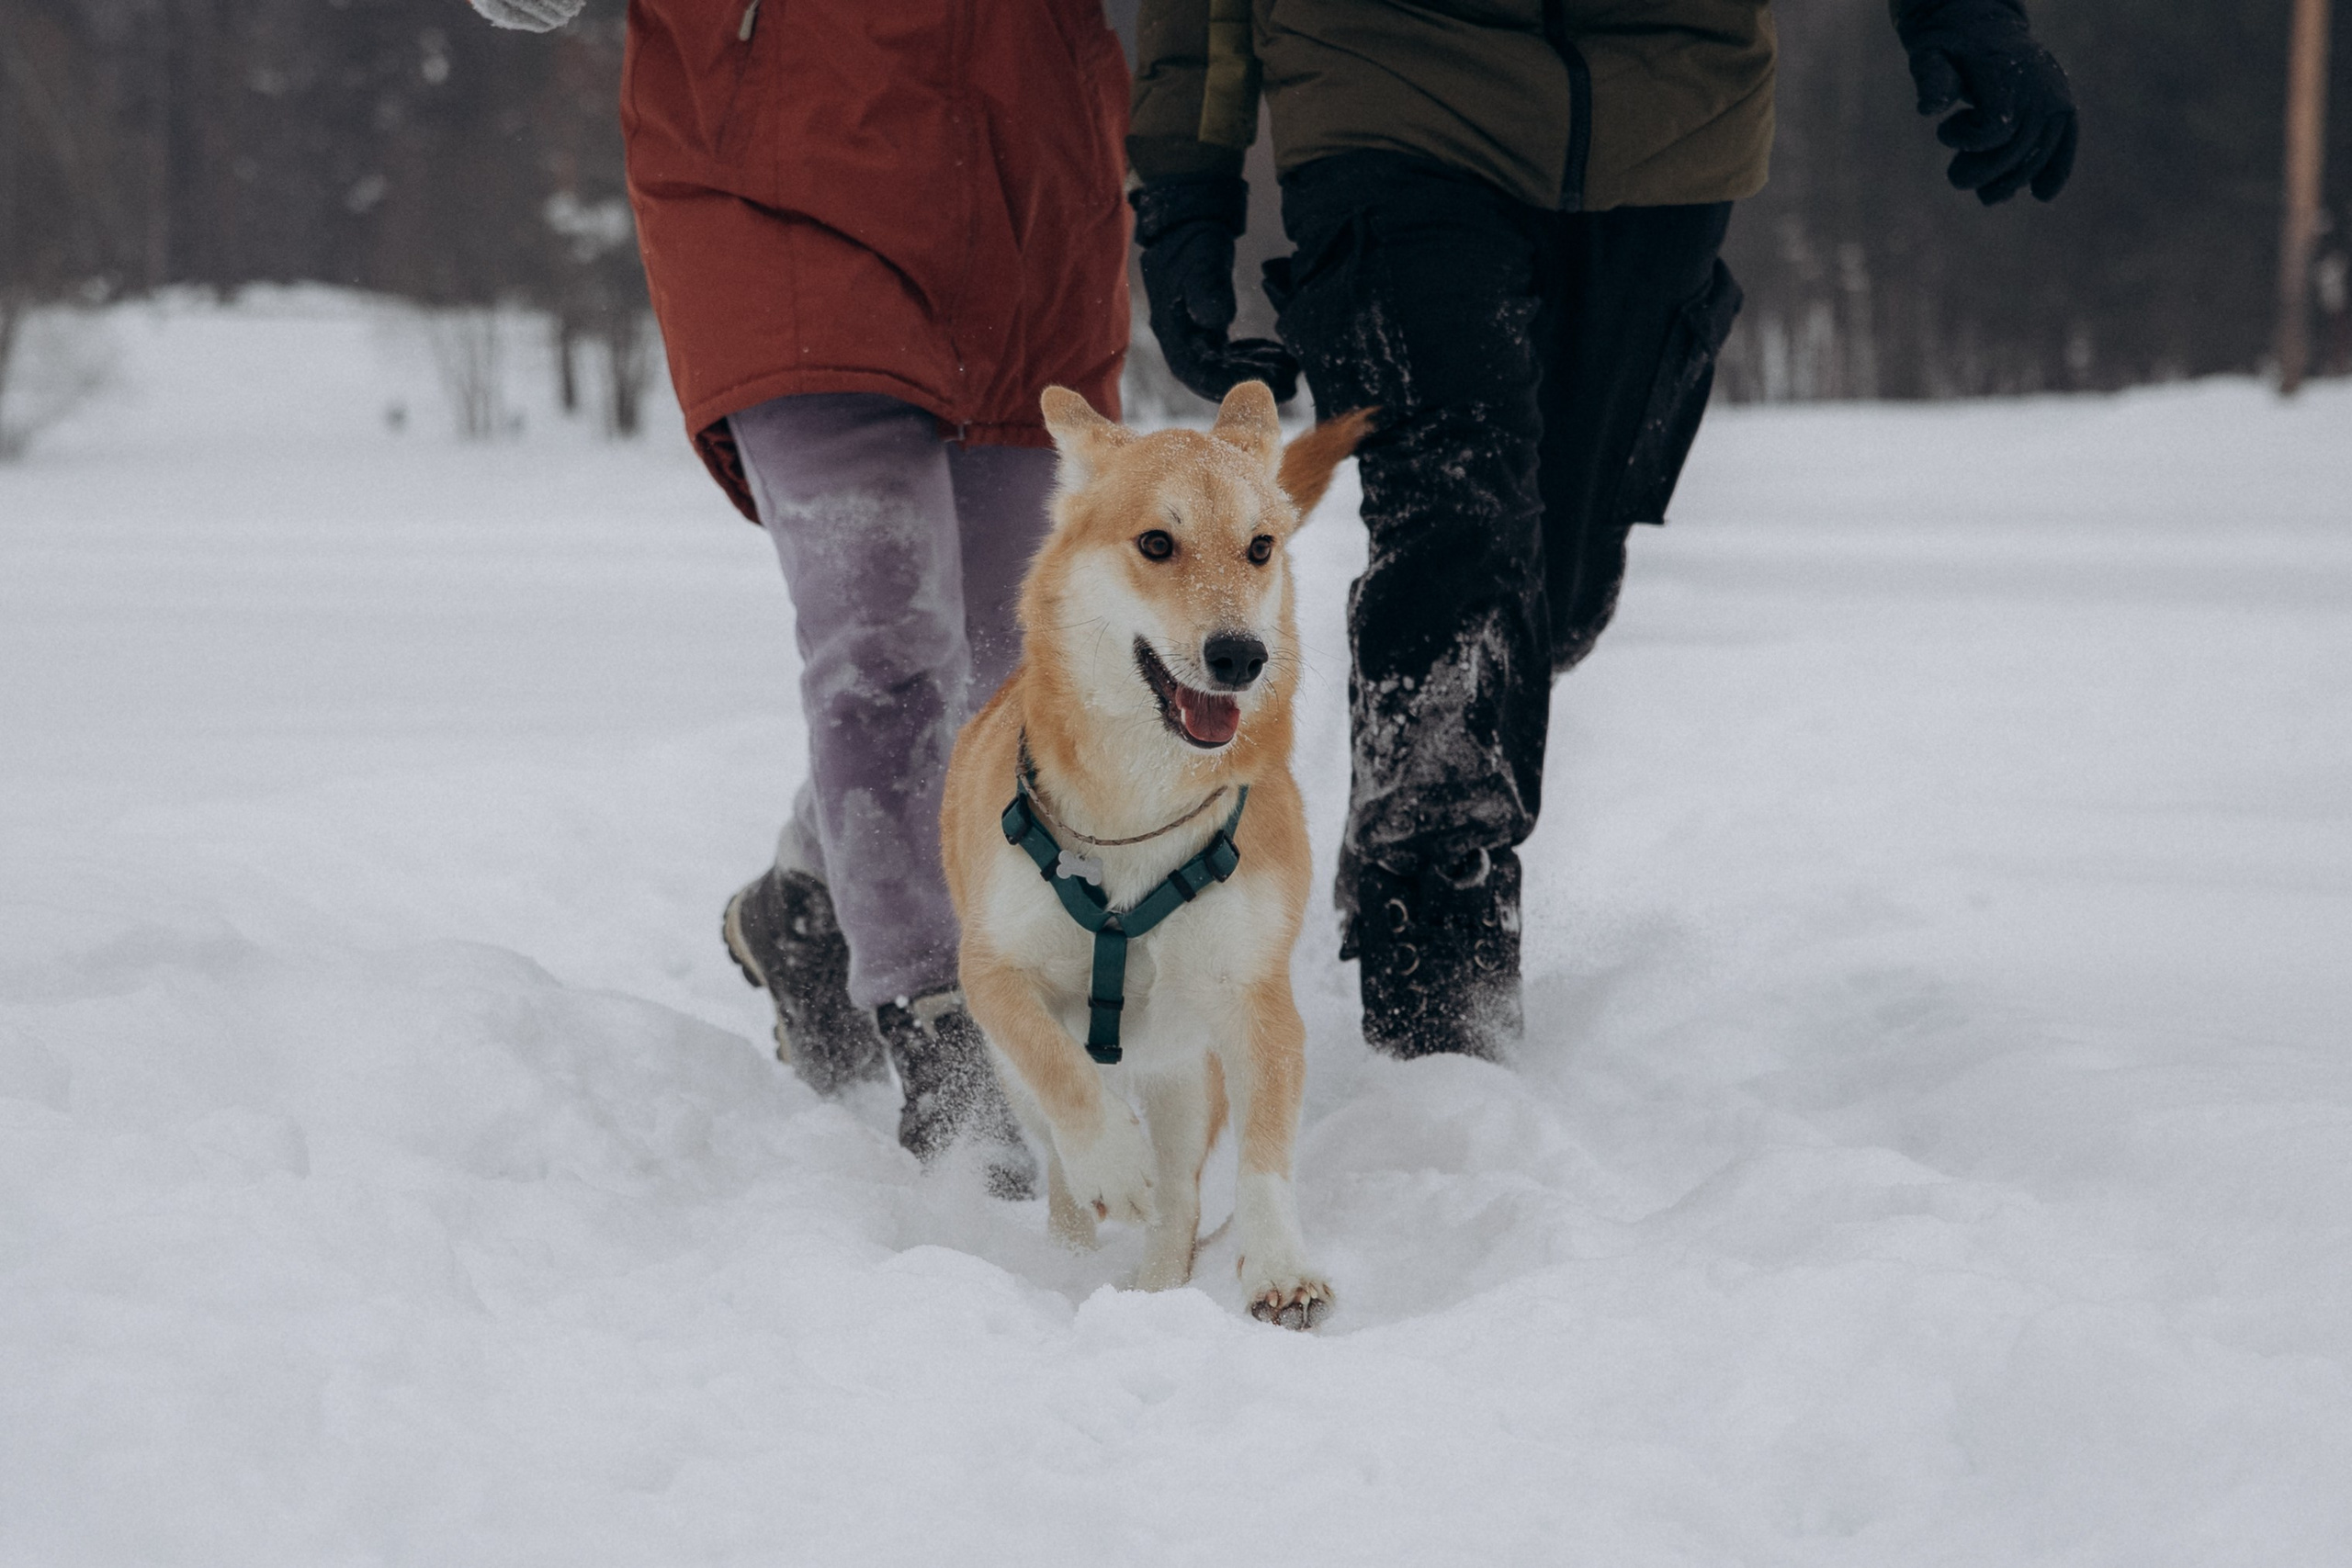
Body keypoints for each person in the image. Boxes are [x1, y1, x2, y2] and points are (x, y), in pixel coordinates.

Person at [1125, 0, 2076, 1058]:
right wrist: (1185, 192)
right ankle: (1439, 967)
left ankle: (1431, 791)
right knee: (1456, 529)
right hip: (1390, 85)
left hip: (1670, 115)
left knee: (1551, 593)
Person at [468, 0, 1135, 1192]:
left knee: (1009, 665)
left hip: (1029, 184)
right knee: (884, 627)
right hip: (776, 176)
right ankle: (944, 1020)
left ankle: (809, 901)